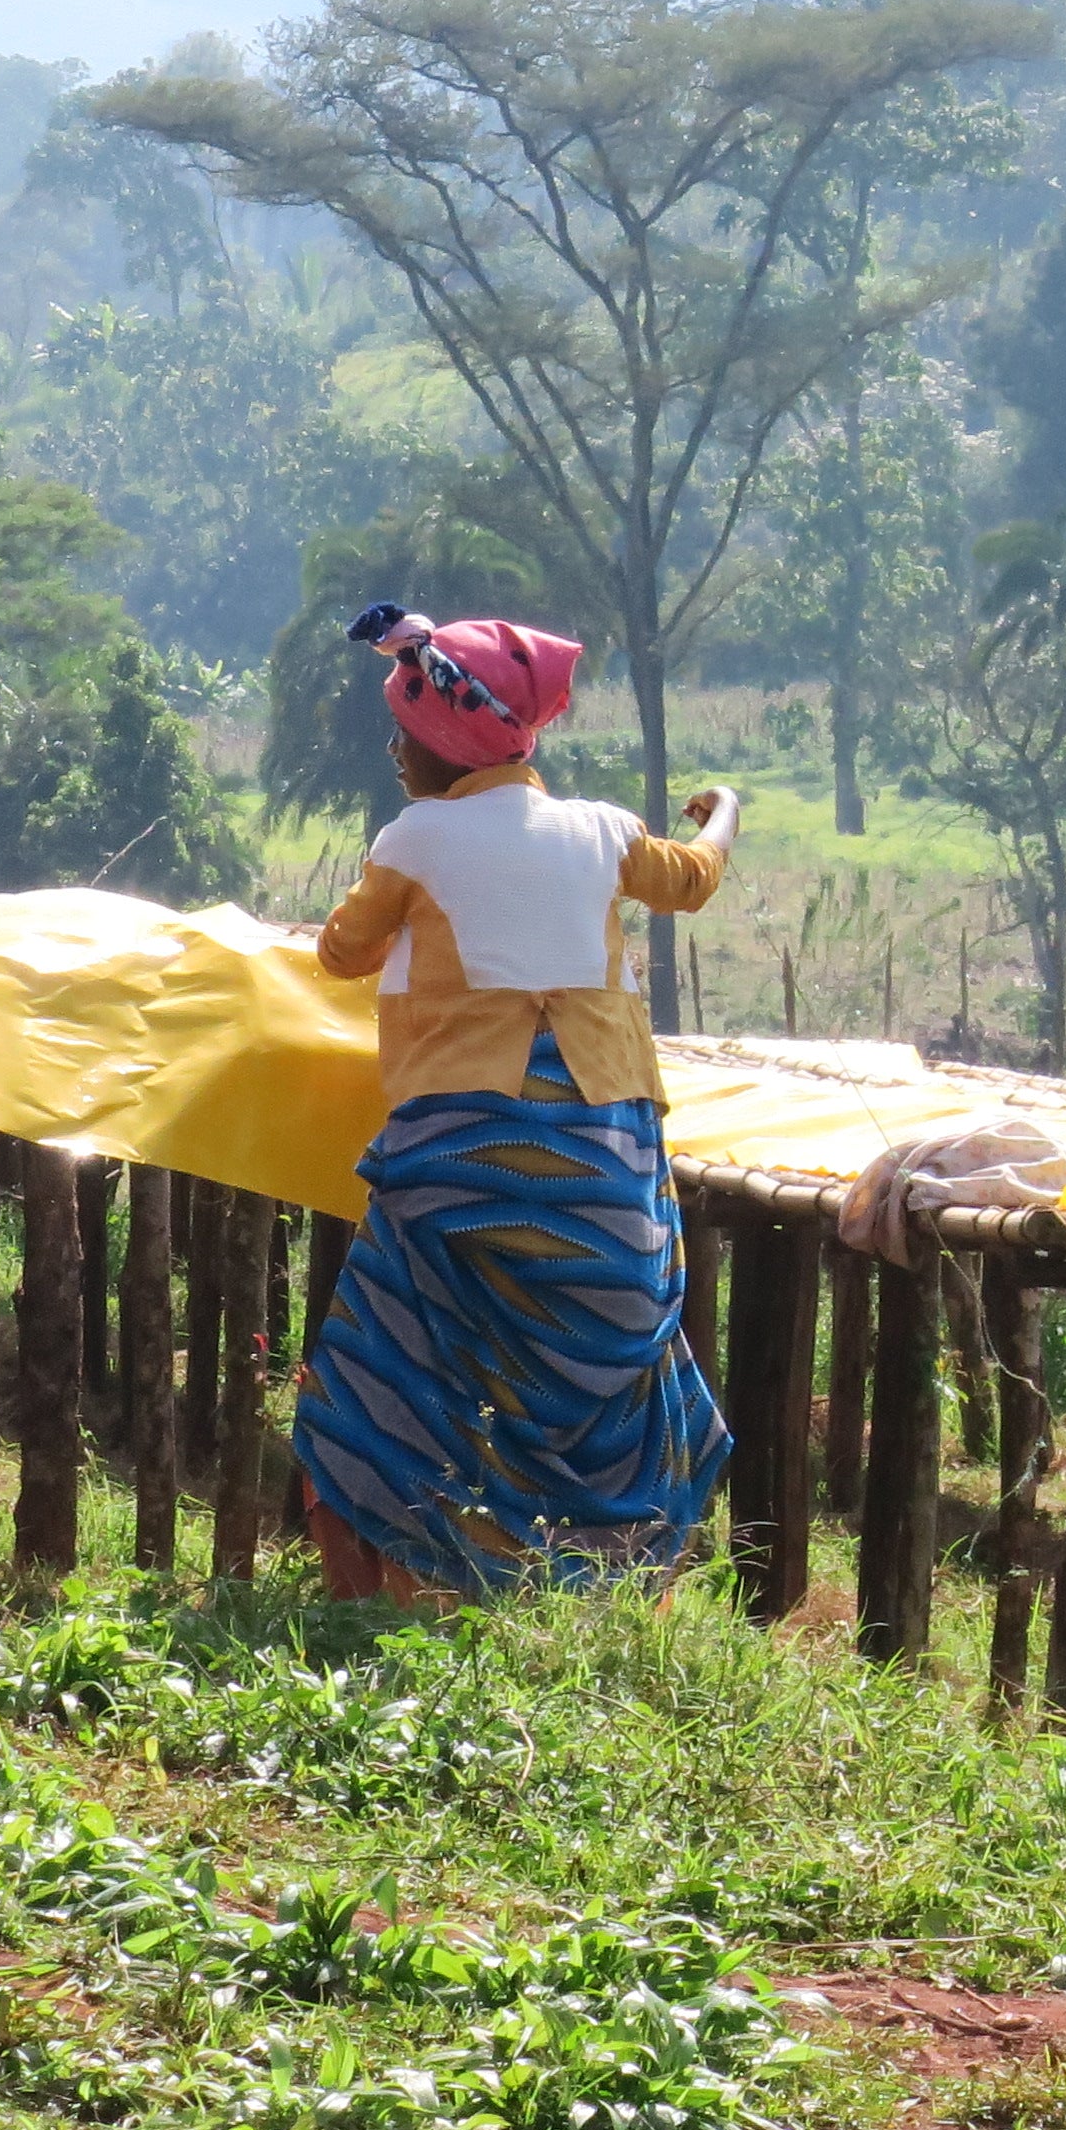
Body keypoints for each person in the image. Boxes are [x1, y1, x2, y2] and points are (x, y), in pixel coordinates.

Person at [290, 603, 740, 1602]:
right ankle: (613, 1589)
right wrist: (724, 809)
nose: (397, 754)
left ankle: (370, 1602)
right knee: (613, 1372)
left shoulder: (416, 838)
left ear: (437, 742)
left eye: (403, 733)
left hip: (459, 1156)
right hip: (609, 1169)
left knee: (374, 1371)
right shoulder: (607, 833)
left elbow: (339, 954)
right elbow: (695, 876)